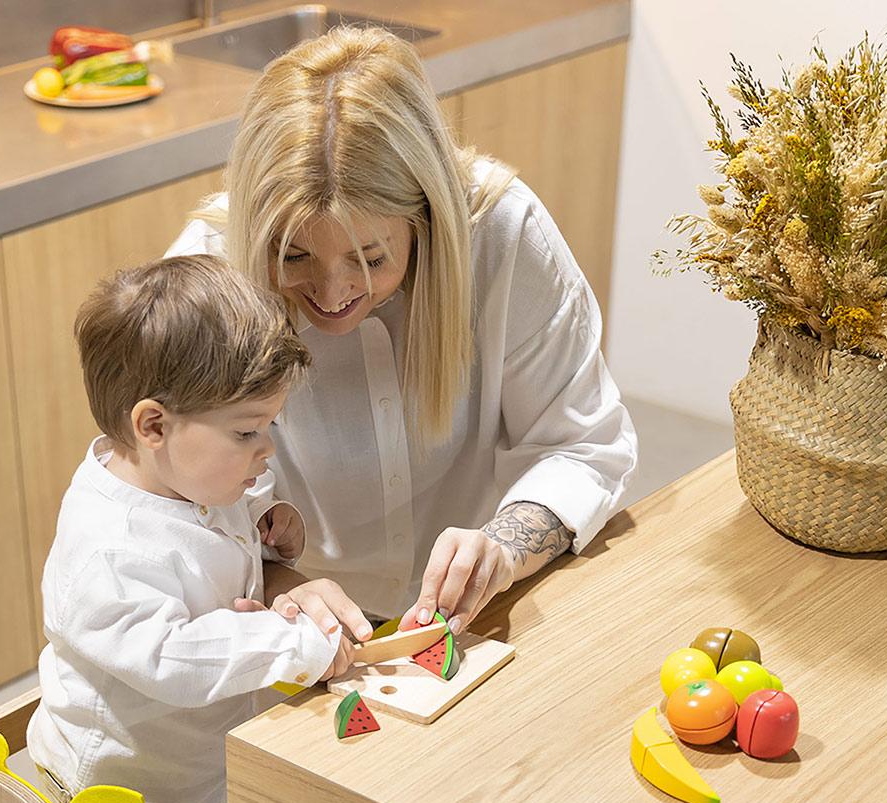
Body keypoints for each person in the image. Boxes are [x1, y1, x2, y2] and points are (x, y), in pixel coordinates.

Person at [168, 25, 637, 645]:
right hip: (287, 626)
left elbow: (580, 446)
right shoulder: (209, 278)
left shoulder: (501, 235)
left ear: (426, 216)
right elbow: (176, 508)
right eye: (295, 258)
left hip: (485, 611)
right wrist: (285, 584)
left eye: (369, 259)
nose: (333, 297)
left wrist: (499, 550)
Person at [26, 255, 346, 803]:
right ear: (154, 425)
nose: (263, 449)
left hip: (177, 768)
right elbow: (166, 655)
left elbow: (214, 537)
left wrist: (264, 532)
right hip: (117, 783)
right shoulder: (111, 546)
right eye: (247, 433)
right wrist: (287, 647)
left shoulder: (182, 477)